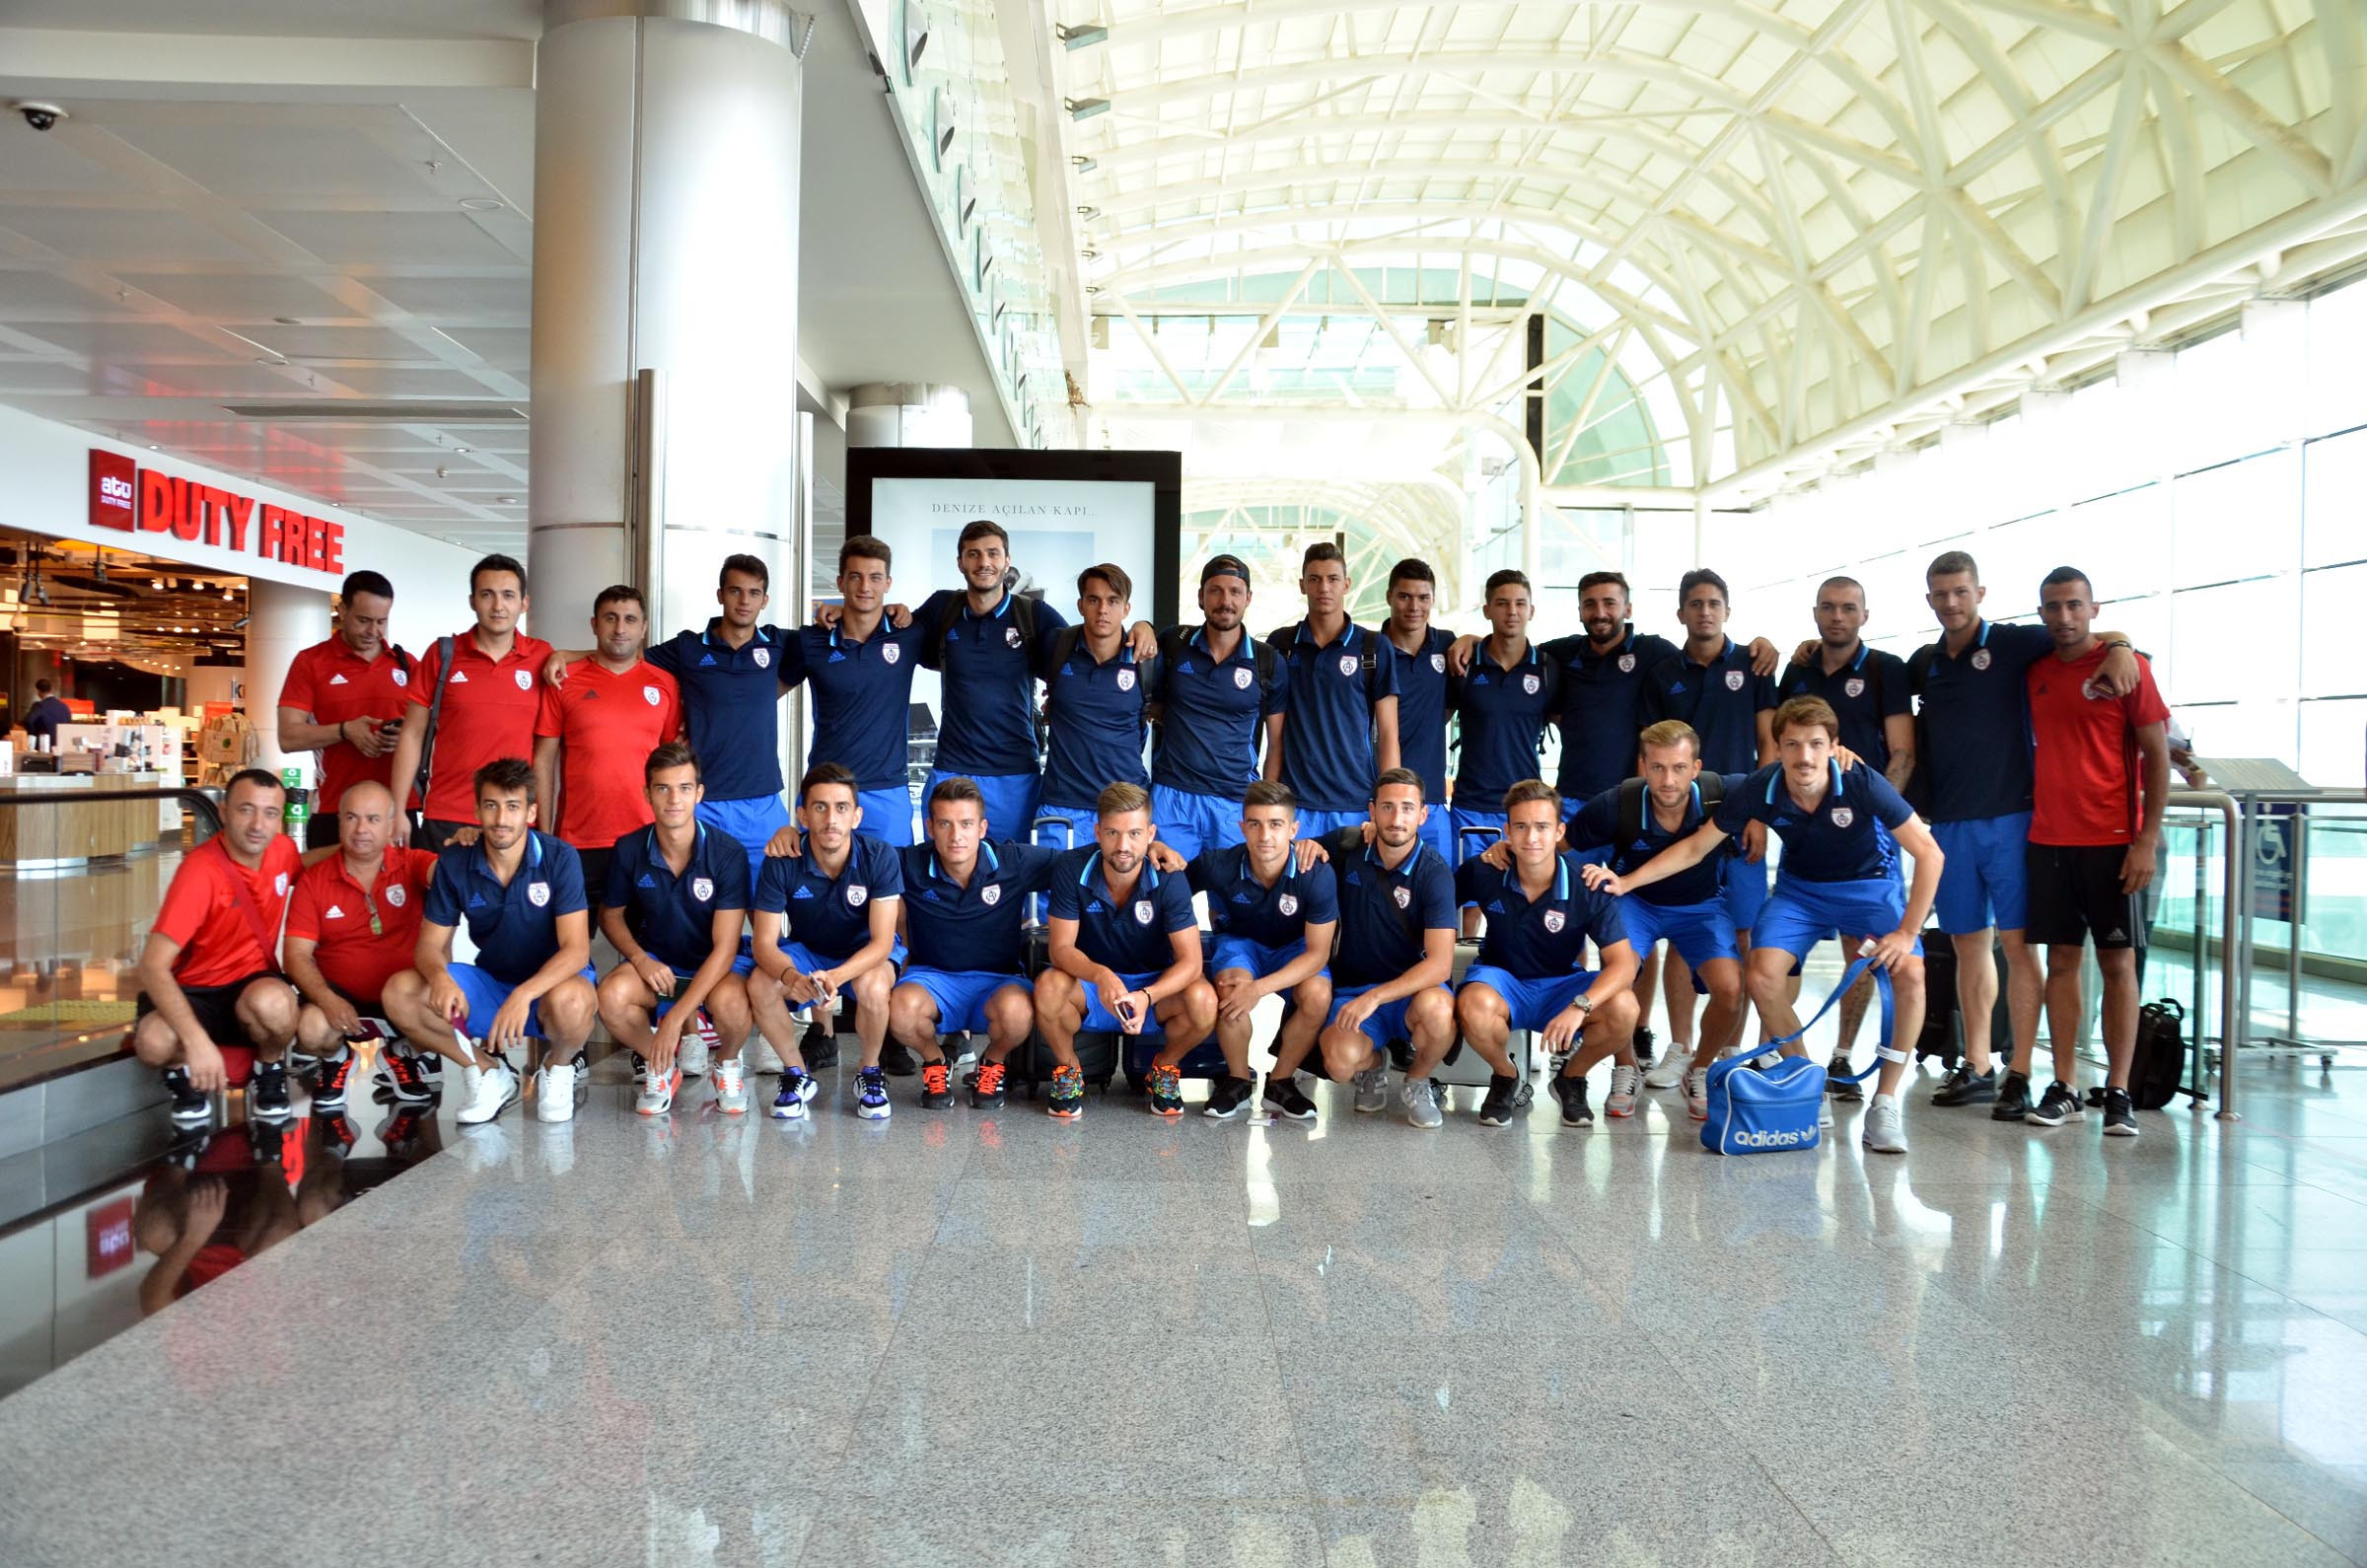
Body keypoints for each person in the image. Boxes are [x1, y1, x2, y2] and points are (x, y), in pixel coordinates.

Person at [1586, 697, 1941, 1154]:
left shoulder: (1860, 780)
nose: (1804, 756)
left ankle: (1885, 1102)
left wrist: (1908, 932)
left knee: (1910, 971)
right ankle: (1808, 1084)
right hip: (1801, 893)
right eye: (1792, 744)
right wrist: (1627, 881)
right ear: (1777, 749)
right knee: (1760, 974)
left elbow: (1929, 853)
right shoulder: (1762, 786)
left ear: (1834, 746)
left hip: (1868, 886)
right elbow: (1695, 848)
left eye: (1816, 744)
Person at [1909, 548, 2138, 1118]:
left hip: (2012, 821)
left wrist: (2121, 644)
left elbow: (2082, 635)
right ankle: (1978, 1064)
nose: (1952, 603)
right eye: (1941, 594)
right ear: (1929, 599)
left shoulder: (2014, 644)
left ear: (1980, 594)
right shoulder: (1925, 662)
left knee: (2017, 947)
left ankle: (2020, 1072)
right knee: (1967, 946)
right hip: (1950, 826)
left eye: (1961, 592)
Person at [2020, 567, 2170, 1138]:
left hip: (2113, 842)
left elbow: (2157, 757)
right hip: (2049, 841)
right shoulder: (2035, 670)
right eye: (2053, 607)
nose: (2064, 617)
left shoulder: (2128, 669)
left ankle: (2119, 1090)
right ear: (2041, 613)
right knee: (2061, 962)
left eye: (2074, 605)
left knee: (2118, 963)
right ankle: (2064, 1086)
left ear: (2094, 609)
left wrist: (2146, 840)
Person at [548, 556, 801, 884]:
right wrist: (566, 655)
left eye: (754, 593)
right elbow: (627, 652)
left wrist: (834, 612)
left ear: (765, 600)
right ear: (720, 594)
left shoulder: (780, 643)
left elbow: (830, 638)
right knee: (698, 901)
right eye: (735, 591)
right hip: (702, 800)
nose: (744, 601)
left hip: (762, 801)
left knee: (767, 899)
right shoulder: (688, 648)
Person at [382, 758, 598, 1126]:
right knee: (400, 992)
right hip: (492, 983)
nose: (501, 818)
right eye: (492, 805)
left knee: (574, 1001)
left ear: (531, 812)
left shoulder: (560, 857)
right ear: (477, 810)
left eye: (513, 806)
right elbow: (429, 946)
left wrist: (523, 995)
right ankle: (486, 1072)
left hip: (551, 988)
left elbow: (576, 950)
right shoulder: (456, 861)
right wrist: (440, 977)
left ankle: (558, 1069)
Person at [1562, 721, 1748, 1118]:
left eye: (1679, 768)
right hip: (1637, 903)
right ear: (1642, 766)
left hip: (1701, 907)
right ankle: (1625, 1067)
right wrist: (1506, 852)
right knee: (1618, 977)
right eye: (1658, 767)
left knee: (1731, 989)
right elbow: (1556, 844)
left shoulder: (1723, 793)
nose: (1668, 780)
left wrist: (1840, 755)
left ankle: (1699, 1068)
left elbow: (1783, 780)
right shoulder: (1616, 804)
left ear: (1696, 768)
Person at [1774, 575, 1913, 1097]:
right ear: (1815, 613)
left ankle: (1841, 1057)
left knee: (1863, 947)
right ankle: (1781, 1052)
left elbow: (1902, 752)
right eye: (1829, 607)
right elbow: (1782, 741)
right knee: (1784, 947)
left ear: (1864, 616)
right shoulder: (1799, 669)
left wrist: (1876, 816)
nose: (1838, 617)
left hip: (1867, 832)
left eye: (1848, 608)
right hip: (1806, 827)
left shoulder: (1885, 670)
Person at [1640, 568, 1777, 1071]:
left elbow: (1768, 743)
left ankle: (1728, 1050)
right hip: (1681, 819)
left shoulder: (1753, 665)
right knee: (1685, 929)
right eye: (1695, 604)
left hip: (1741, 816)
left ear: (1727, 610)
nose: (1705, 612)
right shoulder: (1662, 673)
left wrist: (1760, 814)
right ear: (1681, 613)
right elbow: (1649, 750)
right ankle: (1681, 1048)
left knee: (1742, 934)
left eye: (1713, 603)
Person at [1271, 768, 1457, 1127]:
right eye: (1387, 807)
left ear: (1423, 815)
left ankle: (1417, 1080)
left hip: (1411, 993)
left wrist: (1375, 998)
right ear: (1372, 810)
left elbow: (1440, 965)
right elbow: (1287, 849)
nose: (1397, 819)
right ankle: (1375, 1064)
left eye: (1407, 808)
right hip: (1353, 989)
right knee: (1339, 1064)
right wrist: (1307, 845)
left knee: (1438, 1011)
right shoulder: (1347, 846)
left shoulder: (1434, 872)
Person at [1457, 780, 1642, 1129]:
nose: (1531, 838)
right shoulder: (1485, 870)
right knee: (1473, 1005)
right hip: (1502, 980)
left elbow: (1623, 965)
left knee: (1625, 1008)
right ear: (1507, 831)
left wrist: (1580, 1006)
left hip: (1562, 984)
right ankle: (1506, 1076)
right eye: (1521, 827)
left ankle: (1571, 1078)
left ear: (1559, 832)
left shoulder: (1587, 884)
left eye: (1542, 827)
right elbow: (1432, 900)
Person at [132, 769, 304, 1127]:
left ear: (280, 820)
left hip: (250, 984)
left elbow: (312, 867)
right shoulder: (200, 871)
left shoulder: (283, 851)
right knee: (153, 1042)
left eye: (270, 813)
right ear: (223, 812)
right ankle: (182, 1076)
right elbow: (152, 966)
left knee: (276, 1005)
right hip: (195, 991)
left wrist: (365, 849)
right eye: (246, 810)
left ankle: (269, 1068)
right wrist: (195, 1040)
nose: (258, 824)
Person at [1038, 782, 1218, 1119]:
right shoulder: (1071, 867)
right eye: (1113, 833)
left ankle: (1165, 1068)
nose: (1123, 846)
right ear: (1097, 832)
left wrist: (1148, 996)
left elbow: (1191, 962)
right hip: (1092, 987)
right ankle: (1069, 1071)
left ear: (1151, 834)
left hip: (1153, 990)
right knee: (1048, 986)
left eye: (1134, 834)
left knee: (1204, 1001)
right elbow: (1060, 949)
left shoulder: (1169, 877)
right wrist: (1101, 976)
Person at [596, 743, 755, 1118]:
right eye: (663, 788)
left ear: (699, 793)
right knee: (610, 997)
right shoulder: (629, 848)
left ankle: (727, 1065)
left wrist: (674, 1019)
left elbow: (725, 948)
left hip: (715, 970)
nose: (674, 799)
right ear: (647, 794)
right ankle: (662, 1067)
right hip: (660, 967)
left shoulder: (727, 853)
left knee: (734, 1005)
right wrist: (640, 959)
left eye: (684, 788)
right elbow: (610, 915)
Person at [886, 777, 1061, 1111]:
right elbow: (850, 856)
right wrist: (795, 837)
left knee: (1018, 1013)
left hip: (997, 980)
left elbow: (1079, 862)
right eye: (945, 824)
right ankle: (935, 1062)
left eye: (966, 824)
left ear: (982, 828)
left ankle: (992, 1063)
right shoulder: (908, 863)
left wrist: (1150, 850)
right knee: (900, 1010)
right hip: (932, 980)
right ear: (930, 828)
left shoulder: (1012, 861)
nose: (956, 836)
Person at [747, 762, 905, 1121]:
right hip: (809, 951)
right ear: (803, 815)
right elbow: (764, 944)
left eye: (841, 808)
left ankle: (869, 1072)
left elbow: (882, 942)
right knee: (760, 983)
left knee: (873, 985)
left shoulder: (880, 856)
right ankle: (796, 1073)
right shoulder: (781, 860)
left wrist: (835, 976)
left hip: (865, 952)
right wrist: (791, 977)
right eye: (820, 807)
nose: (831, 819)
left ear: (856, 816)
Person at [282, 780, 439, 1111]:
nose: (361, 829)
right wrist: (327, 1000)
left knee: (449, 1005)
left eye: (373, 819)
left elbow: (448, 874)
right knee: (311, 1029)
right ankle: (336, 1058)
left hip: (403, 996)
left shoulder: (412, 863)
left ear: (391, 826)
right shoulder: (314, 880)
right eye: (352, 818)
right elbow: (295, 956)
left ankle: (402, 1054)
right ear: (339, 822)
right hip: (339, 997)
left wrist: (469, 846)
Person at [1187, 780, 1337, 1121]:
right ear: (1242, 827)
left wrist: (1258, 989)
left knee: (1318, 994)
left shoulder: (1315, 873)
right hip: (1241, 942)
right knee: (1231, 987)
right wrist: (1157, 852)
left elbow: (1318, 954)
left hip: (1296, 948)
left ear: (1293, 830)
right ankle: (1238, 1081)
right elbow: (1170, 890)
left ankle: (1280, 1083)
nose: (1265, 836)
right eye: (1255, 824)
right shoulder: (1218, 864)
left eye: (1275, 824)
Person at [387, 554, 550, 851]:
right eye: (487, 595)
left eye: (508, 595)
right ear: (472, 601)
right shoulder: (442, 655)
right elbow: (412, 734)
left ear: (524, 603)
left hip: (511, 818)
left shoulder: (542, 657)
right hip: (447, 814)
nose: (498, 606)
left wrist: (568, 655)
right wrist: (397, 809)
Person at [533, 585, 682, 901]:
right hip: (577, 840)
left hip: (647, 839)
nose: (620, 629)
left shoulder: (664, 684)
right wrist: (544, 835)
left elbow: (672, 763)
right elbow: (543, 760)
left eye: (630, 619)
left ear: (643, 628)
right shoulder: (563, 680)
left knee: (642, 934)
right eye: (610, 618)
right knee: (570, 933)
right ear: (594, 624)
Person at [781, 537, 928, 845]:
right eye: (855, 577)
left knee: (891, 875)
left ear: (888, 583)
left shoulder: (909, 635)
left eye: (875, 577)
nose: (865, 587)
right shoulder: (811, 641)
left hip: (887, 791)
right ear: (841, 582)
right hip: (826, 789)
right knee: (818, 875)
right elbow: (759, 695)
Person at [1147, 554, 1289, 860]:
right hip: (1173, 797)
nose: (1226, 601)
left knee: (1230, 891)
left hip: (1234, 801)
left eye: (1235, 592)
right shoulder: (1174, 643)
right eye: (1216, 591)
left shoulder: (1267, 661)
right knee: (1166, 885)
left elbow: (1276, 742)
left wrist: (1267, 805)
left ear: (1248, 598)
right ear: (1201, 596)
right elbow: (1148, 706)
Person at [1268, 541, 1401, 838]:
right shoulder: (1281, 645)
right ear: (1302, 585)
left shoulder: (1373, 647)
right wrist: (1269, 802)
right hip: (1296, 805)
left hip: (1355, 803)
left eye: (1332, 579)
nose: (1324, 588)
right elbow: (1273, 736)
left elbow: (1389, 733)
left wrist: (1388, 804)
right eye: (1314, 579)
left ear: (1346, 585)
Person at [275, 570, 414, 849]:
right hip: (335, 810)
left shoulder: (407, 664)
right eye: (363, 620)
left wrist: (406, 737)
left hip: (396, 812)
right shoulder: (311, 662)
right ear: (342, 610)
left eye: (381, 622)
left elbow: (434, 731)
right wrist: (345, 731)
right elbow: (288, 737)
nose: (373, 631)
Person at [1036, 564, 1159, 852]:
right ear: (1081, 605)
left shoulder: (1148, 659)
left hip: (1126, 807)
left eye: (1113, 601)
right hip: (1062, 803)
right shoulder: (1057, 646)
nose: (1103, 610)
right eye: (1094, 600)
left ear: (1126, 609)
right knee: (1054, 883)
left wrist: (1146, 626)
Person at [1447, 569, 1560, 869]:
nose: (1512, 611)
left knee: (1520, 892)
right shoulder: (1465, 664)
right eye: (1502, 603)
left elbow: (1572, 732)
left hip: (1525, 808)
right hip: (1470, 805)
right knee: (1468, 893)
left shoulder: (1547, 668)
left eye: (1520, 604)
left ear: (1531, 611)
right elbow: (1433, 726)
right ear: (1487, 610)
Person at [1379, 558, 1457, 865]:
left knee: (1439, 885)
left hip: (1432, 801)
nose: (1414, 607)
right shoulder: (1371, 651)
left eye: (1423, 598)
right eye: (1404, 596)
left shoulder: (1447, 645)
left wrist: (1473, 639)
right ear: (1389, 596)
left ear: (1433, 599)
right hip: (1383, 800)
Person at [21, 677, 70, 750]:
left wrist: (33, 734)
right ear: (51, 689)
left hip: (43, 746)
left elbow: (28, 721)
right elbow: (68, 724)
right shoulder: (64, 707)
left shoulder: (40, 706)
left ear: (38, 691)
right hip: (61, 747)